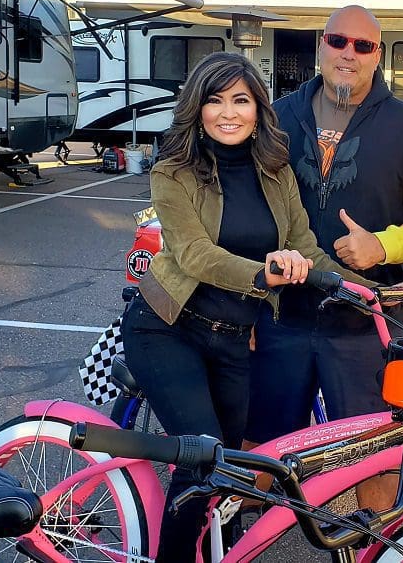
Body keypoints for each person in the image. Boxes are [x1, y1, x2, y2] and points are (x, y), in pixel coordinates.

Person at [122, 51, 373, 562]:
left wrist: (373, 293)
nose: (228, 112)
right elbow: (193, 254)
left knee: (233, 468)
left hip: (234, 339)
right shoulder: (174, 171)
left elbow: (306, 246)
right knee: (205, 461)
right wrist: (263, 275)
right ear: (197, 108)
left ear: (258, 108)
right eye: (214, 101)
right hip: (169, 328)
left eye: (240, 99)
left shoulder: (276, 172)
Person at [246, 5, 403, 511]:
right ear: (321, 44)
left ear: (378, 55)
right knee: (259, 456)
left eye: (362, 46)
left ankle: (382, 546)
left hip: (366, 325)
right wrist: (245, 297)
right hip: (281, 317)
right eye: (339, 41)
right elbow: (244, 208)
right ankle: (241, 544)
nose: (349, 54)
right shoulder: (276, 118)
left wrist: (383, 245)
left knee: (379, 463)